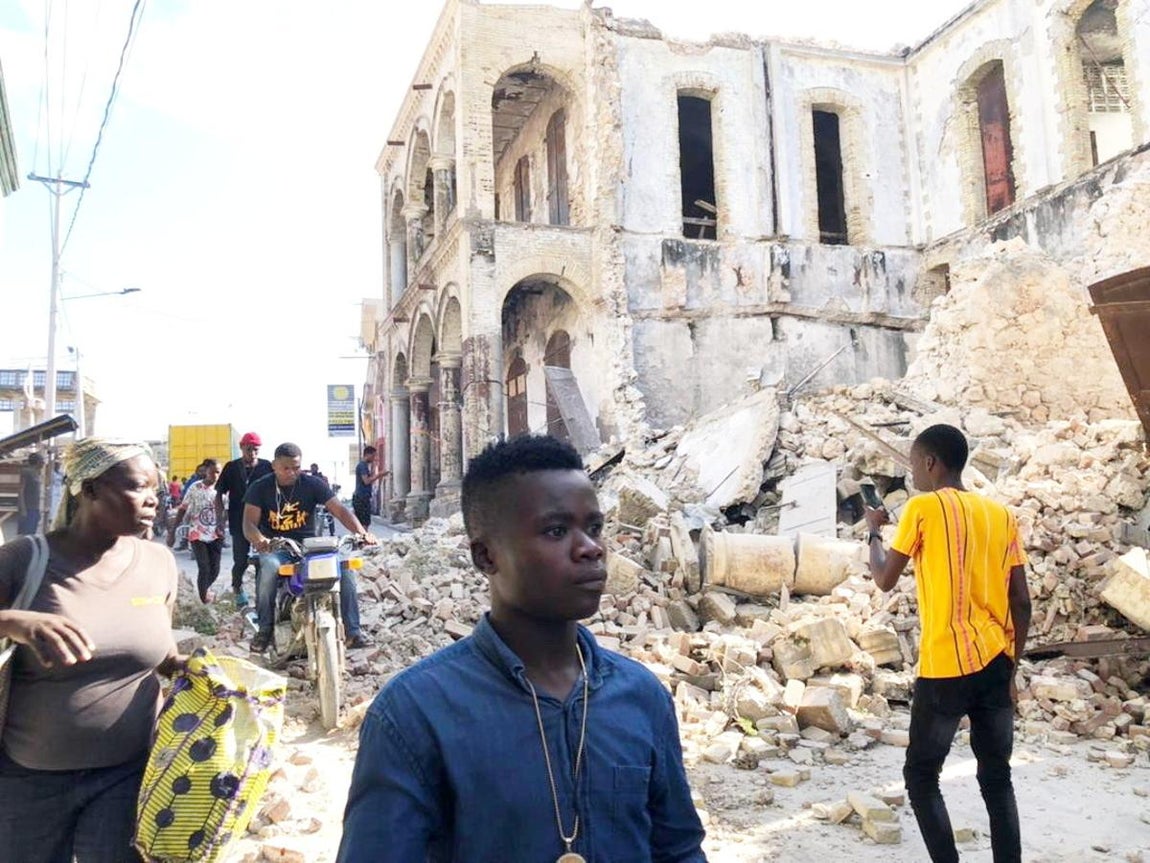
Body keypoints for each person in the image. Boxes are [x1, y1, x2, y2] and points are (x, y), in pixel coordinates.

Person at [337, 435, 706, 862]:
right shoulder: (415, 714)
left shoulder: (642, 697)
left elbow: (678, 850)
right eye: (556, 530)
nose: (591, 548)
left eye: (594, 527)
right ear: (485, 557)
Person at [0, 438, 182, 863]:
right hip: (30, 783)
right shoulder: (25, 559)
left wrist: (185, 666)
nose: (153, 499)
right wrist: (14, 622)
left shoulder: (159, 563)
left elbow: (160, 649)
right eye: (138, 487)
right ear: (90, 489)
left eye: (155, 488)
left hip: (127, 776)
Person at [865, 424, 1031, 863]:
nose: (913, 472)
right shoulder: (1002, 516)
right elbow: (1022, 602)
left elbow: (884, 579)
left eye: (914, 462)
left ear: (931, 462)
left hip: (944, 668)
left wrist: (873, 533)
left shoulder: (922, 509)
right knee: (997, 779)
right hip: (996, 660)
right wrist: (1012, 667)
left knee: (921, 777)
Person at [243, 442, 377, 653]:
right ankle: (265, 629)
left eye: (296, 467)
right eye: (286, 468)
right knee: (268, 567)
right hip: (278, 548)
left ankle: (353, 631)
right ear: (274, 466)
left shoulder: (312, 484)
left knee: (345, 566)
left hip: (310, 548)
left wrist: (361, 532)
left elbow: (340, 511)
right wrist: (260, 540)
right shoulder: (260, 487)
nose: (291, 472)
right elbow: (248, 523)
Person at [215, 432, 273, 608]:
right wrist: (219, 519)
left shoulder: (266, 467)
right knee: (240, 560)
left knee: (264, 559)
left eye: (256, 450)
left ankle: (261, 596)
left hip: (263, 523)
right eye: (249, 449)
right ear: (241, 448)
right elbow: (219, 494)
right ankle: (237, 587)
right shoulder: (231, 468)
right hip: (238, 521)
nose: (252, 453)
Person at [168, 458, 225, 603]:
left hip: (216, 534)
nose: (215, 475)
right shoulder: (195, 488)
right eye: (212, 472)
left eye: (218, 472)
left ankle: (205, 591)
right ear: (206, 471)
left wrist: (222, 526)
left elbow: (226, 510)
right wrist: (172, 531)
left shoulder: (222, 489)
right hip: (197, 534)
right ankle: (203, 599)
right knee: (204, 568)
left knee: (215, 569)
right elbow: (182, 509)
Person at [352, 446, 389, 531]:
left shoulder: (364, 466)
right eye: (373, 456)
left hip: (361, 497)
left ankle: (361, 540)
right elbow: (366, 481)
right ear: (367, 454)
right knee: (364, 523)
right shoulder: (362, 466)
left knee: (362, 523)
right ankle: (362, 541)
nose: (374, 458)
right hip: (361, 498)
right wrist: (379, 475)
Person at [16, 452, 44, 535]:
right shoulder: (26, 472)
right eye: (42, 461)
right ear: (37, 461)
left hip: (35, 509)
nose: (43, 463)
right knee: (26, 535)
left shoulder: (37, 473)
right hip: (27, 508)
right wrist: (23, 509)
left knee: (32, 534)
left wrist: (38, 511)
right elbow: (21, 491)